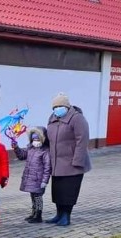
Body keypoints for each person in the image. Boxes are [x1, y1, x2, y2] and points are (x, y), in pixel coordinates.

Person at [45, 92, 91, 227]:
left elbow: (82, 141)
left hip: (72, 163)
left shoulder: (77, 119)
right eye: (54, 107)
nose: (57, 109)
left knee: (69, 191)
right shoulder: (52, 118)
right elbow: (49, 138)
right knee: (58, 190)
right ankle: (58, 214)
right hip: (57, 163)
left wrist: (77, 161)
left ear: (66, 106)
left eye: (59, 106)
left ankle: (66, 216)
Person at [14, 127, 52, 223]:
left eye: (38, 139)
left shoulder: (45, 151)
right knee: (33, 196)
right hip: (31, 178)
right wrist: (16, 147)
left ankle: (38, 215)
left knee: (38, 197)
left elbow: (48, 167)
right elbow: (22, 155)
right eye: (34, 139)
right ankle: (34, 213)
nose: (35, 141)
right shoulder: (30, 148)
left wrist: (45, 181)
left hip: (39, 179)